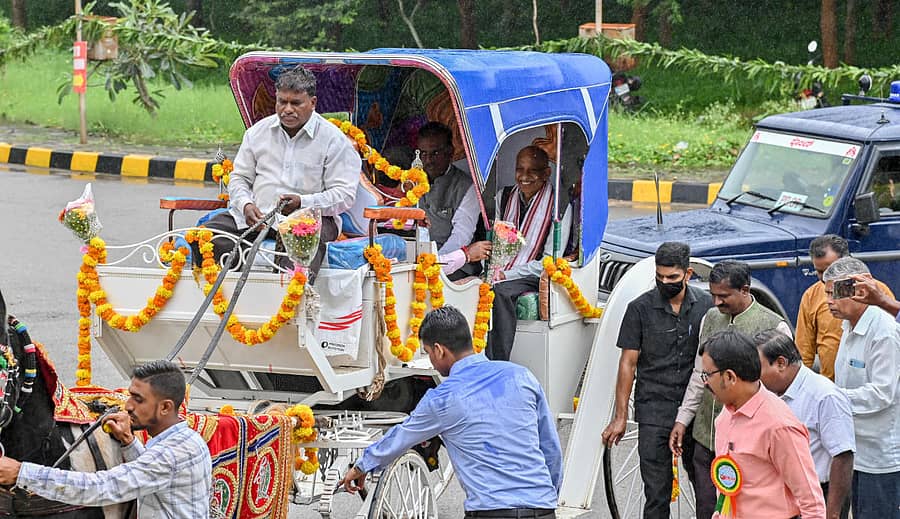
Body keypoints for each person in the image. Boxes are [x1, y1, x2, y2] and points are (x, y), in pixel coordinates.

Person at [340, 306, 561, 517]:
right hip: (543, 507)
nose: (432, 362)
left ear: (439, 350)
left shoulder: (443, 398)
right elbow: (550, 449)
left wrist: (362, 466)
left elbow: (401, 436)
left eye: (428, 353)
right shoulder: (521, 376)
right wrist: (546, 501)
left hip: (490, 512)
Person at [198, 66, 361, 280]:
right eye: (282, 102)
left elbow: (344, 195)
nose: (287, 109)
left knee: (300, 238)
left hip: (310, 220)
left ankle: (289, 306)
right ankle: (221, 299)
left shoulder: (334, 140)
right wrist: (246, 205)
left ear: (312, 103)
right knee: (205, 236)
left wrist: (302, 202)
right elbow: (239, 178)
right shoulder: (257, 133)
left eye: (295, 103)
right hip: (257, 217)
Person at [0, 360, 212, 518]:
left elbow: (102, 487)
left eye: (138, 399)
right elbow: (152, 477)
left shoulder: (172, 453)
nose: (128, 405)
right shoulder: (185, 439)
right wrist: (129, 443)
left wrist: (21, 472)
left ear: (165, 407)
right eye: (130, 395)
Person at [669, 259, 791, 519]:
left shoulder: (774, 327)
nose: (716, 303)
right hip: (705, 435)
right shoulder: (710, 318)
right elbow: (698, 374)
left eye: (724, 296)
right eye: (713, 295)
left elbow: (784, 390)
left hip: (750, 444)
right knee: (707, 509)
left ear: (745, 290)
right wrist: (683, 419)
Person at [601, 242, 712, 519]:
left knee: (706, 490)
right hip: (653, 411)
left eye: (672, 277)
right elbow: (628, 363)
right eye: (659, 277)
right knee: (656, 493)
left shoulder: (707, 306)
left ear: (687, 274)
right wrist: (620, 415)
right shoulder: (639, 309)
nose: (665, 282)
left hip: (696, 410)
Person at [702, 329, 826, 518]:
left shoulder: (779, 426)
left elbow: (812, 505)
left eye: (707, 375)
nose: (705, 383)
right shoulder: (725, 417)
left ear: (730, 377)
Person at [822, 257, 900, 518]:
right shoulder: (848, 325)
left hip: (881, 458)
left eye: (835, 294)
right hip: (854, 449)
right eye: (827, 294)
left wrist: (831, 397)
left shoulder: (883, 332)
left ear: (860, 290)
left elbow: (882, 394)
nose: (829, 302)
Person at [485, 145, 573, 361]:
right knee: (472, 287)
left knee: (501, 292)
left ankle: (497, 361)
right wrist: (493, 269)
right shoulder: (503, 196)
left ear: (546, 173)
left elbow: (550, 259)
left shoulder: (559, 205)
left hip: (533, 274)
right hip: (501, 269)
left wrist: (508, 274)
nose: (524, 177)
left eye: (532, 170)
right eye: (519, 169)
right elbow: (494, 240)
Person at [755, 329, 855, 519]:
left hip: (819, 495)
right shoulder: (770, 394)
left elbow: (843, 457)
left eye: (758, 368)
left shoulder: (825, 396)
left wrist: (831, 513)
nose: (755, 377)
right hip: (784, 497)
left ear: (781, 363)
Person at [795, 235, 893, 380]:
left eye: (830, 269)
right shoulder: (811, 296)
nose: (823, 278)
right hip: (831, 385)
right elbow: (803, 352)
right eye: (819, 271)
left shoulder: (877, 292)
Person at [416, 121, 490, 281]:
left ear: (450, 152)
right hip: (417, 261)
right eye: (423, 153)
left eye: (435, 153)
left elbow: (461, 236)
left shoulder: (466, 187)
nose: (428, 160)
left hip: (456, 263)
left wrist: (436, 263)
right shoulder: (412, 181)